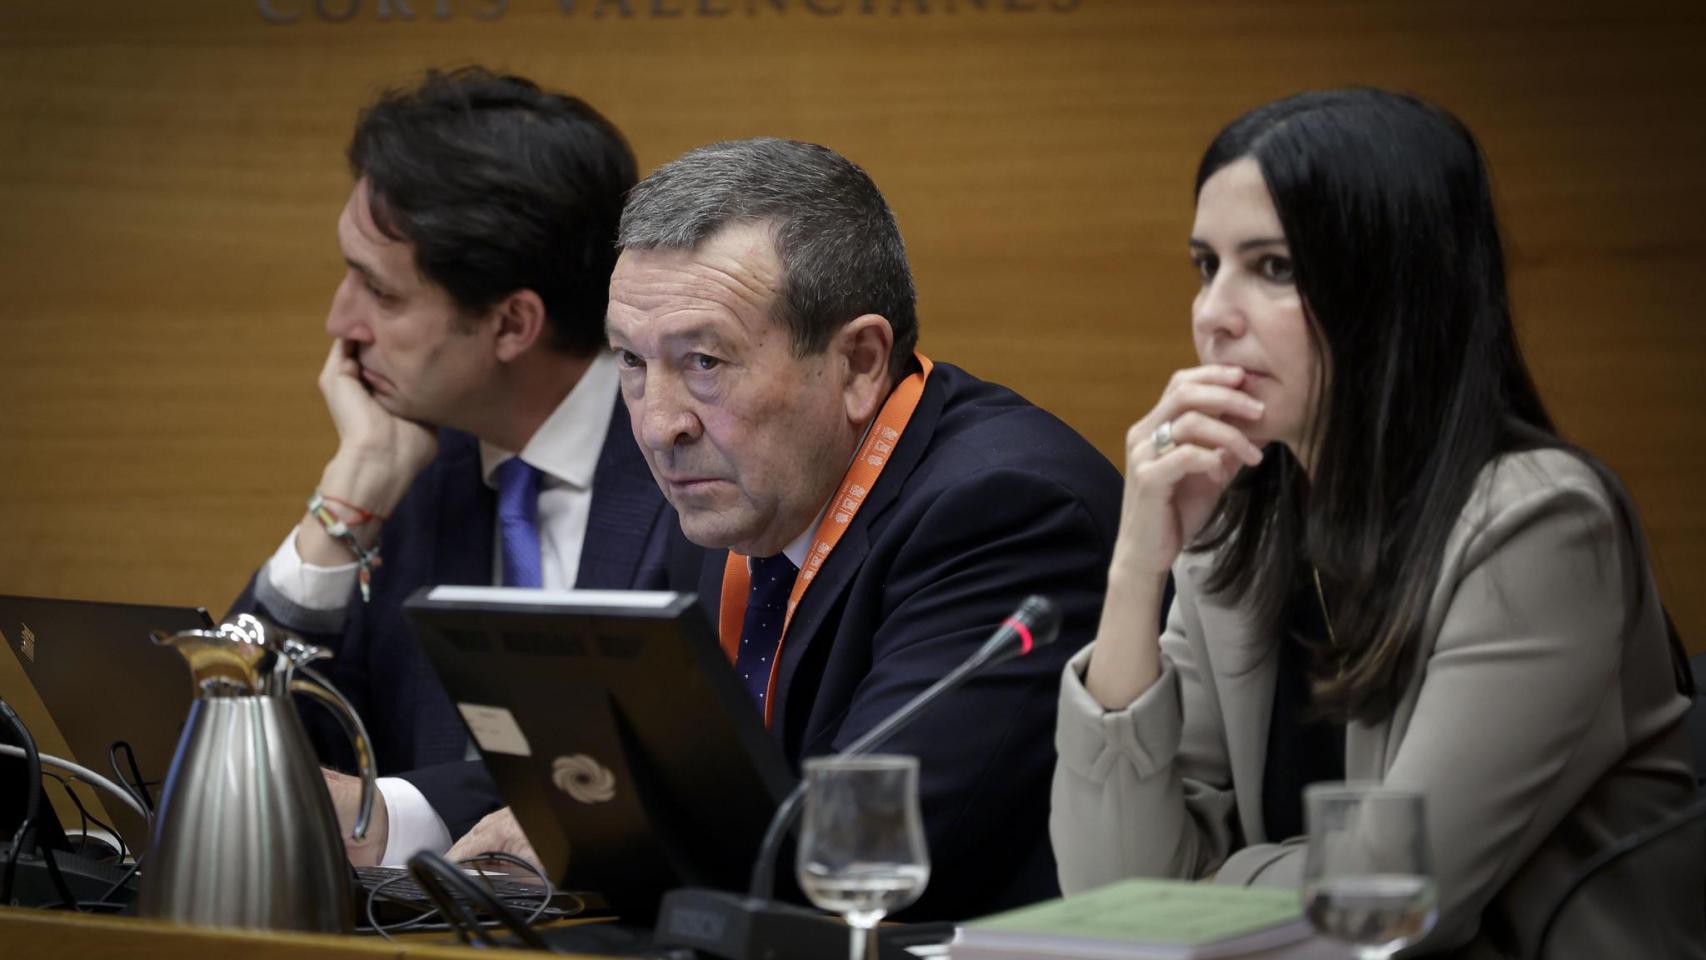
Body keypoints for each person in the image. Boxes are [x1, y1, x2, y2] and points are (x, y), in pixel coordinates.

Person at [1050, 88, 1703, 957]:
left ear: (1395, 289)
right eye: (1208, 265)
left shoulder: (1542, 526)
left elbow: (1387, 906)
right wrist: (1138, 567)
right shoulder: (1239, 527)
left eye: (1274, 268)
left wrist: (1202, 889)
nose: (1213, 314)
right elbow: (1105, 895)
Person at [452, 136, 1124, 921]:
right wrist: (385, 815)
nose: (659, 425)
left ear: (859, 363)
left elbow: (865, 846)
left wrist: (590, 837)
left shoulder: (1005, 514)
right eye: (631, 361)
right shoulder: (731, 488)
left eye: (704, 361)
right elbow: (605, 757)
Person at [228, 67, 694, 866]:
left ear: (512, 324)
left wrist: (402, 812)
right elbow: (233, 752)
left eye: (380, 292)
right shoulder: (408, 472)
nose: (340, 321)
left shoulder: (696, 469)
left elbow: (665, 768)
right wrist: (347, 499)